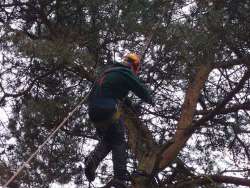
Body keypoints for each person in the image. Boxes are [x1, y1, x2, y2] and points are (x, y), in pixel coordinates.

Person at [85, 53, 154, 186]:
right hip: (107, 109)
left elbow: (115, 92)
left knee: (111, 138)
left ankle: (93, 160)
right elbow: (140, 88)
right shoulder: (126, 71)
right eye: (137, 69)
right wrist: (151, 99)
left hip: (93, 112)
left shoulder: (108, 72)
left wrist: (131, 105)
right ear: (135, 65)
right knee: (119, 140)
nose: (136, 72)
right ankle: (120, 177)